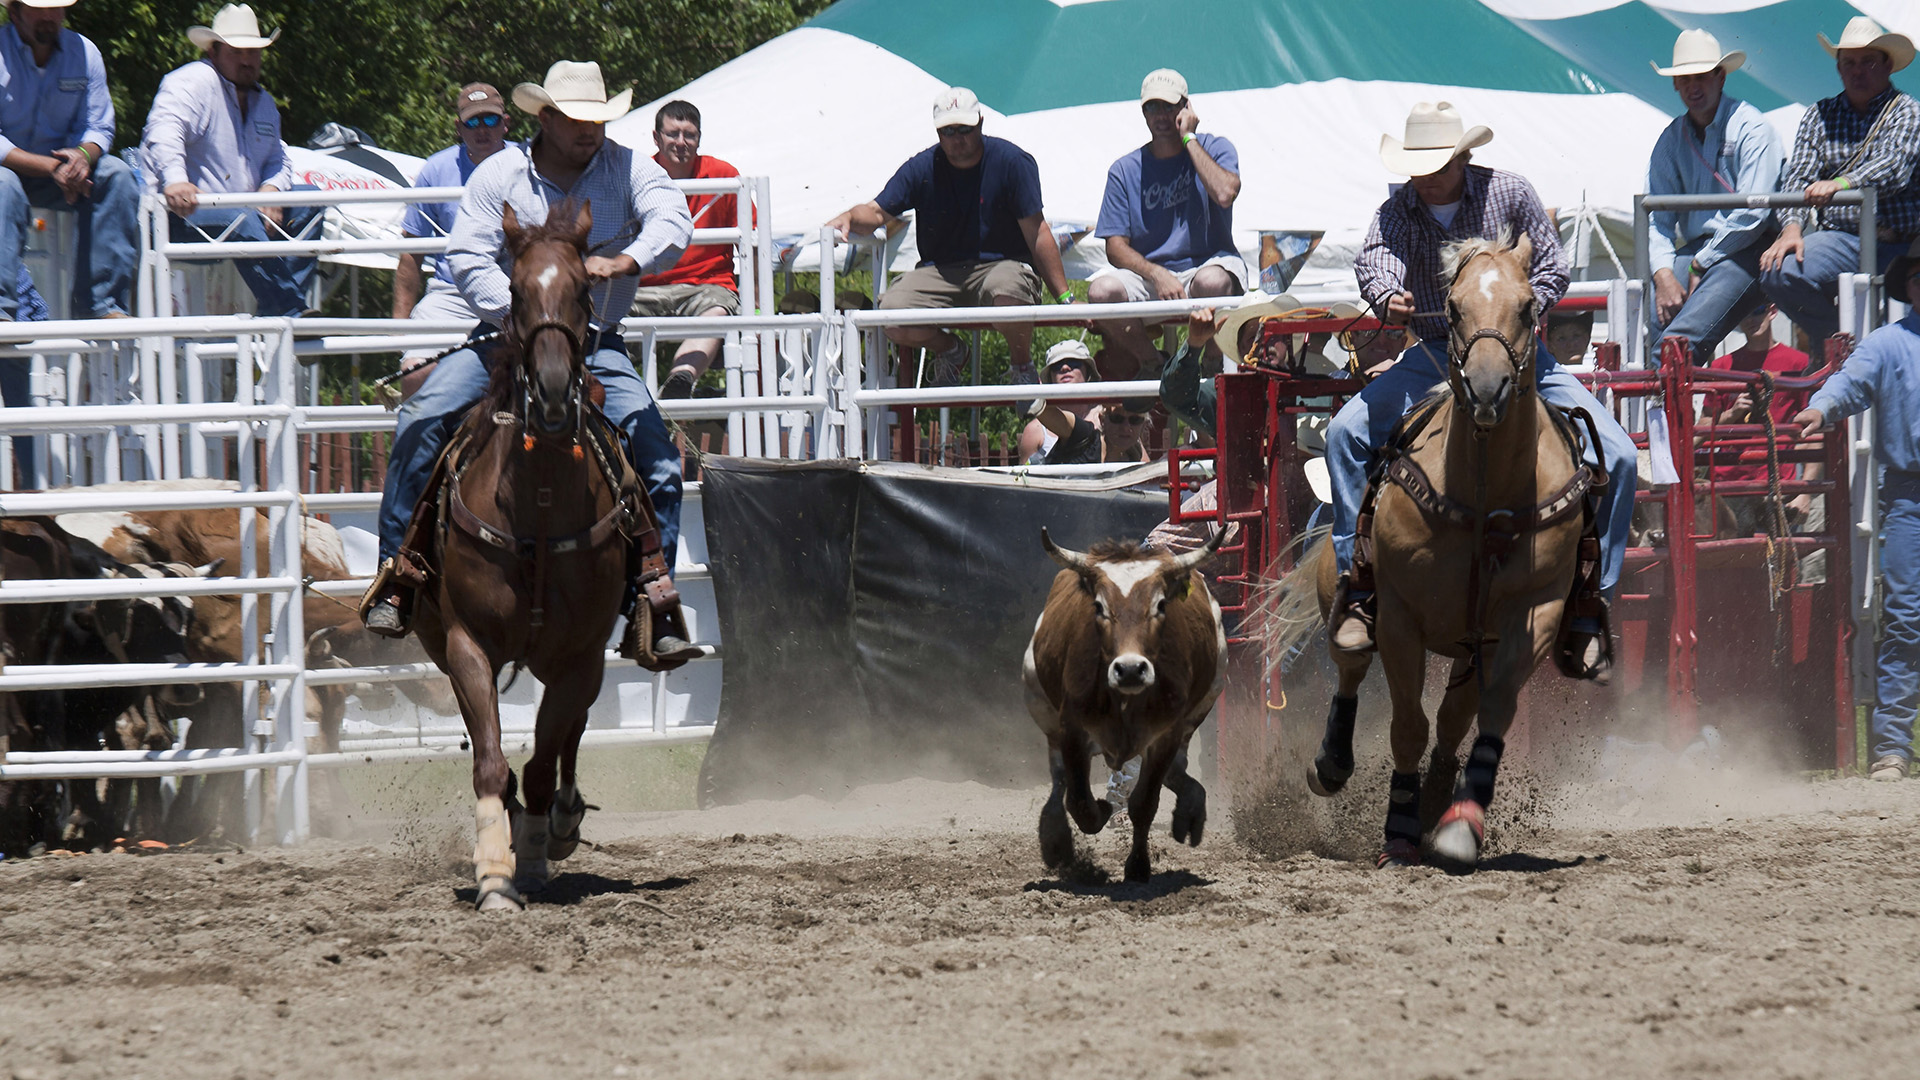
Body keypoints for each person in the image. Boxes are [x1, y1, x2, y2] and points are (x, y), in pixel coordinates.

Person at [362, 60, 699, 667]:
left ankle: (651, 596)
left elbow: (674, 219)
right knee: (423, 417)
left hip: (595, 342)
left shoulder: (627, 168)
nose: (591, 130)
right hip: (506, 342)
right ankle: (399, 571)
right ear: (545, 117)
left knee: (658, 458)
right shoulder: (502, 174)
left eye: (599, 119)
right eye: (577, 119)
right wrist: (526, 314)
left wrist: (628, 261)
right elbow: (465, 255)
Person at [1336, 102, 1637, 675]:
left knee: (1619, 456)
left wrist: (1513, 315)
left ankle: (1591, 602)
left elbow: (1550, 266)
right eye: (1416, 164)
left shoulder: (1511, 194)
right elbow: (1374, 259)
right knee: (1345, 434)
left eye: (1435, 163)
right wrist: (1386, 294)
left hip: (1522, 361)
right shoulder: (1398, 209)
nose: (1423, 175)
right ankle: (1359, 585)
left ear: (1463, 156)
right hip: (1430, 353)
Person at [827, 87, 1073, 387]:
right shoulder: (921, 167)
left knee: (1009, 290)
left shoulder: (1012, 162)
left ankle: (1022, 366)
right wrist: (850, 216)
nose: (957, 138)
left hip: (1002, 268)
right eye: (948, 131)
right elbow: (877, 212)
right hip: (940, 272)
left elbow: (1037, 232)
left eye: (964, 129)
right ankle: (952, 350)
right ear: (937, 131)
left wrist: (1065, 298)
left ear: (980, 123)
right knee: (890, 315)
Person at [1795, 241, 1920, 781]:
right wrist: (1820, 407)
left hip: (1906, 496)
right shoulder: (1888, 344)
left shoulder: (1889, 343)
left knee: (1906, 618)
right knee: (1907, 618)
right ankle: (1892, 746)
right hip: (1909, 495)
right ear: (1909, 286)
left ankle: (1893, 745)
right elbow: (1849, 381)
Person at [140, 3, 318, 318]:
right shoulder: (193, 81)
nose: (247, 60)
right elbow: (164, 130)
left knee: (312, 202)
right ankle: (288, 311)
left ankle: (280, 304)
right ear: (214, 51)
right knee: (241, 217)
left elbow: (279, 158)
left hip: (235, 216)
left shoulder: (264, 103)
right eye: (237, 52)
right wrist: (176, 179)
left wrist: (272, 187)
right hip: (179, 218)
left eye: (253, 52)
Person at [1759, 17, 1920, 350]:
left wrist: (1841, 184)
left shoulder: (1908, 111)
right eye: (1849, 63)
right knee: (1779, 272)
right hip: (1844, 240)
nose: (1857, 71)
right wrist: (1791, 228)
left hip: (1906, 246)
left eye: (1867, 62)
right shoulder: (1820, 114)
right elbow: (1799, 174)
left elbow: (1895, 168)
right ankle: (1846, 347)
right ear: (1839, 68)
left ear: (1888, 66)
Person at [1091, 69, 1244, 379]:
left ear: (1186, 108)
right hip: (1152, 279)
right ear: (1143, 112)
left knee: (1211, 283)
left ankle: (1211, 364)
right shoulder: (1124, 169)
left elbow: (1225, 193)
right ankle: (1154, 365)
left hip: (1209, 268)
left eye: (1169, 106)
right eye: (1152, 107)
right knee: (1100, 292)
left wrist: (1189, 138)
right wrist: (1156, 274)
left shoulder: (1215, 147)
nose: (1160, 115)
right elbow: (1115, 247)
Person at [1646, 29, 1785, 366]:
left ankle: (1657, 403)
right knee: (1654, 319)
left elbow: (1753, 217)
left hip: (1750, 247)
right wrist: (1663, 274)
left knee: (1679, 341)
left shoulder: (1753, 128)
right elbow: (1656, 220)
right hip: (1700, 253)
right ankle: (1665, 403)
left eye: (1702, 77)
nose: (1694, 86)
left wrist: (1700, 261)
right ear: (1676, 84)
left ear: (1720, 77)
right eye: (1685, 78)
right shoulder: (1670, 139)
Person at [0, 0, 137, 324]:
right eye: (39, 8)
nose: (50, 15)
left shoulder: (85, 52)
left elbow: (99, 126)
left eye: (57, 7)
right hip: (11, 171)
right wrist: (53, 167)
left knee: (117, 175)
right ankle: (2, 309)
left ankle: (101, 305)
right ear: (14, 12)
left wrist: (83, 157)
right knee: (3, 185)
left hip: (66, 174)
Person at [390, 82, 518, 396]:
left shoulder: (530, 163)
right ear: (459, 127)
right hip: (451, 293)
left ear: (506, 123)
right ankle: (424, 444)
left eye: (490, 120)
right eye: (473, 121)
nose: (482, 130)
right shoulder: (435, 169)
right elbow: (411, 251)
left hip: (518, 292)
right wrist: (400, 328)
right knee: (414, 374)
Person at [635, 100, 742, 401]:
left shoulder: (724, 175)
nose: (681, 142)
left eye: (689, 135)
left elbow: (753, 241)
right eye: (672, 134)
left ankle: (680, 382)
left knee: (718, 310)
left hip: (705, 286)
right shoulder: (637, 174)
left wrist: (758, 307)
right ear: (657, 138)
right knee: (598, 316)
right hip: (644, 287)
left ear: (699, 138)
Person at [1698, 303, 1812, 536]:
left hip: (1777, 486)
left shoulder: (1798, 363)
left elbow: (1813, 430)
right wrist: (1732, 415)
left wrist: (1805, 492)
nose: (1751, 319)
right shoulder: (1722, 366)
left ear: (1772, 311)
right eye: (1744, 313)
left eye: (1757, 310)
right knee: (1730, 564)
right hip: (1728, 488)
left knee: (1781, 564)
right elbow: (1701, 428)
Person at [1017, 339, 1100, 463]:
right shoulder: (1035, 430)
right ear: (1050, 377)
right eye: (1057, 366)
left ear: (1088, 371)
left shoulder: (1109, 417)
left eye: (1073, 363)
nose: (1065, 368)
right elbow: (1025, 478)